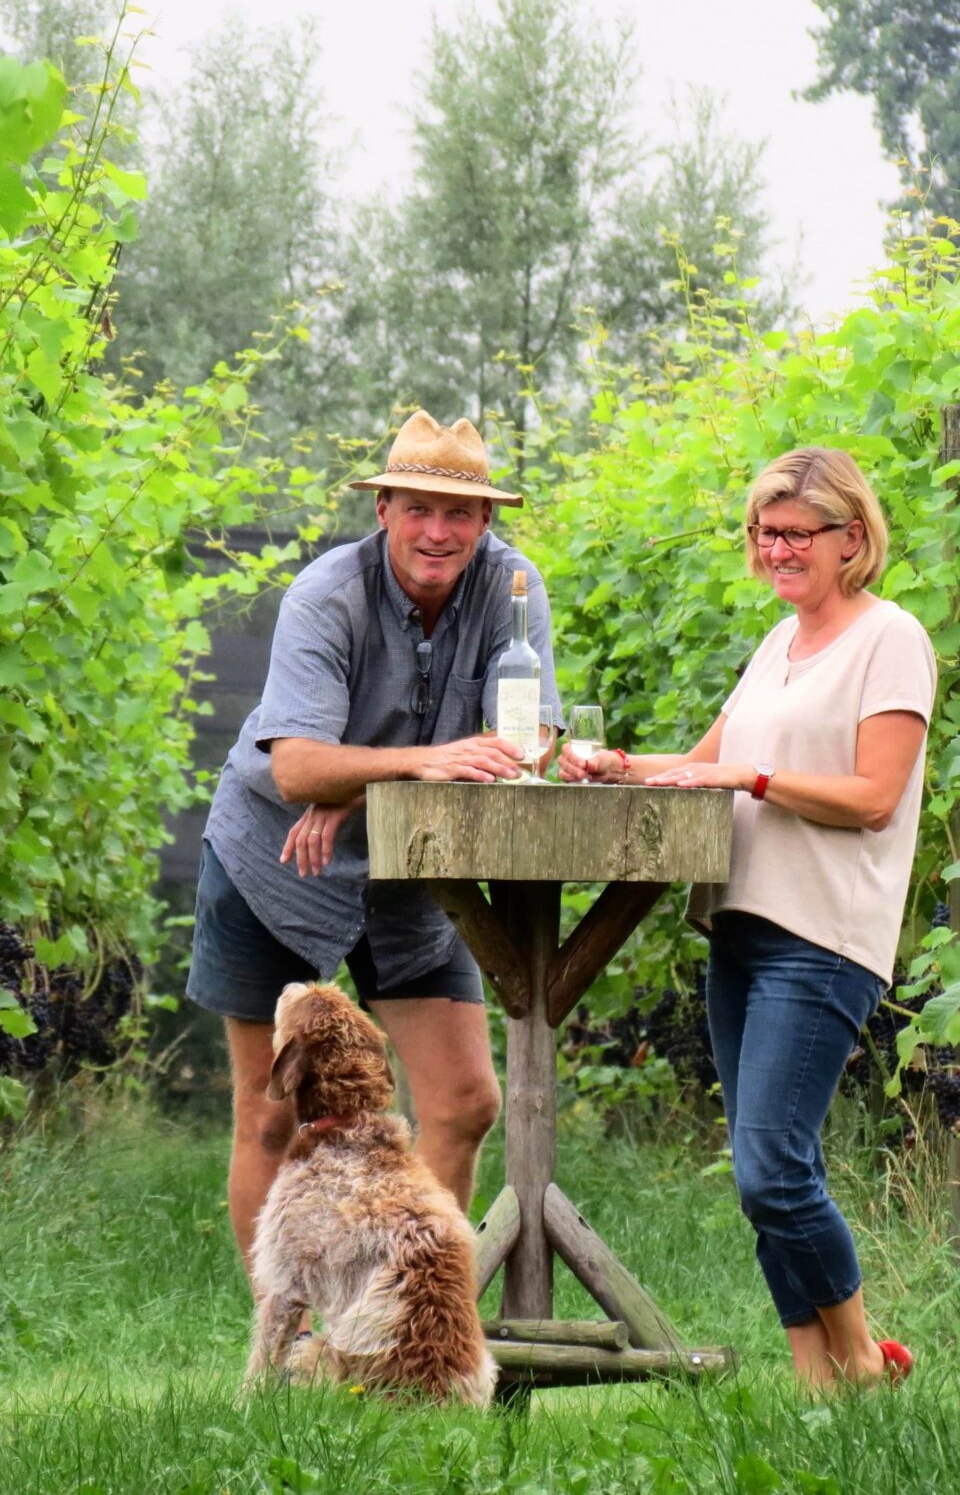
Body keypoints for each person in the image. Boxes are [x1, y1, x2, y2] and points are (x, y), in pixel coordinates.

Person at [559, 446, 935, 1389]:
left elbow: (875, 796)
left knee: (773, 1170)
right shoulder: (780, 642)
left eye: (795, 533)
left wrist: (751, 778)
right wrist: (615, 765)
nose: (775, 550)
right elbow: (706, 761)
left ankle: (861, 1359)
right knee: (764, 1174)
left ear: (853, 537)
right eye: (764, 532)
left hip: (823, 935)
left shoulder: (888, 639)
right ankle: (817, 1382)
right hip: (741, 927)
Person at [187, 409, 562, 1285]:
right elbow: (294, 774)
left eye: (460, 513)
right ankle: (294, 1338)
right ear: (384, 508)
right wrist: (402, 768)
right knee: (272, 1116)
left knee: (466, 1102)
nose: (439, 531)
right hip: (275, 861)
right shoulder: (327, 594)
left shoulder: (512, 590)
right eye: (419, 508)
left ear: (486, 522)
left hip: (413, 872)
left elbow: (530, 742)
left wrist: (352, 786)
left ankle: (407, 1314)